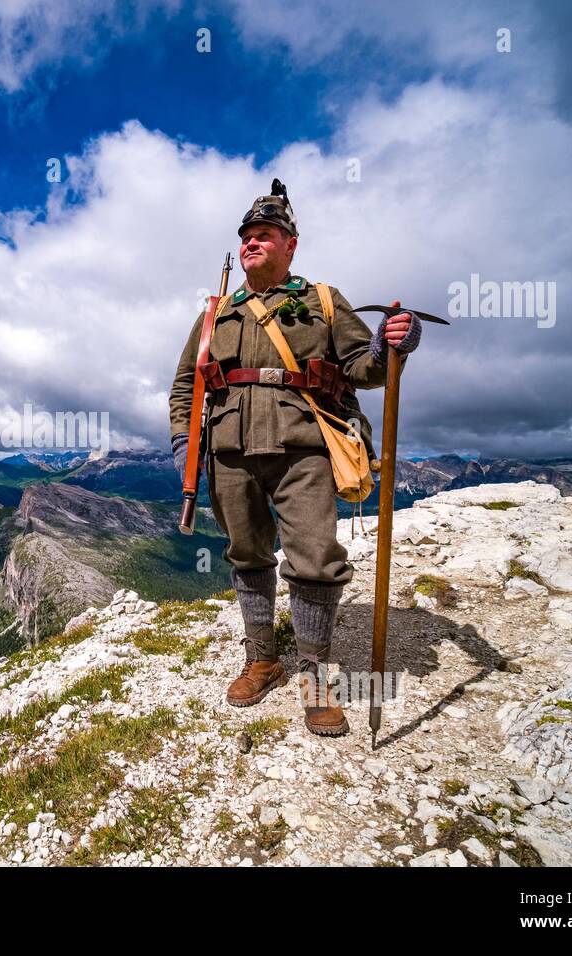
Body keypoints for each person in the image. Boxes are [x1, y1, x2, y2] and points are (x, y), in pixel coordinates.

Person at [167, 180, 421, 735]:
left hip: (305, 447)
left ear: (291, 245)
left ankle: (313, 677)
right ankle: (263, 657)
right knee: (246, 554)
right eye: (247, 237)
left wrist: (393, 343)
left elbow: (365, 367)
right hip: (229, 451)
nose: (253, 243)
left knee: (313, 558)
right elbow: (187, 381)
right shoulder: (215, 314)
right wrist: (186, 442)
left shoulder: (324, 302)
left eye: (265, 235)